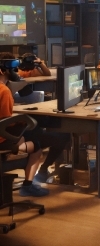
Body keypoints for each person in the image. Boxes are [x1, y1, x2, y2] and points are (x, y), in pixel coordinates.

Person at [0, 52, 69, 196]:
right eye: (11, 68)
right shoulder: (4, 91)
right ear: (2, 70)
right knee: (36, 143)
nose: (14, 71)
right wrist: (21, 120)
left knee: (34, 131)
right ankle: (28, 185)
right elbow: (5, 122)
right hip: (3, 139)